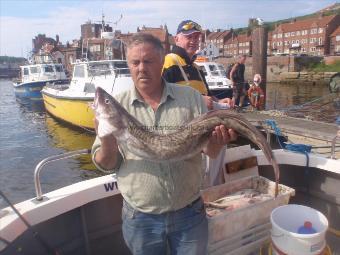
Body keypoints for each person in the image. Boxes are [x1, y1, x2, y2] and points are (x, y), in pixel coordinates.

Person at [91, 33, 237, 255]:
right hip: (140, 218)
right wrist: (106, 139)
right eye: (135, 62)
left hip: (190, 213)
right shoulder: (118, 105)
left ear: (161, 62)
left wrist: (218, 141)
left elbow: (210, 151)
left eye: (148, 61)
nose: (141, 68)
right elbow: (107, 164)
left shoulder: (191, 98)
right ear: (128, 65)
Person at [163, 20, 233, 110]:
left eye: (196, 37)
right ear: (176, 39)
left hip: (202, 121)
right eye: (189, 37)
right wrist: (197, 101)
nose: (193, 41)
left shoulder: (197, 68)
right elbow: (161, 98)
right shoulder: (169, 61)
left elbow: (207, 96)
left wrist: (219, 102)